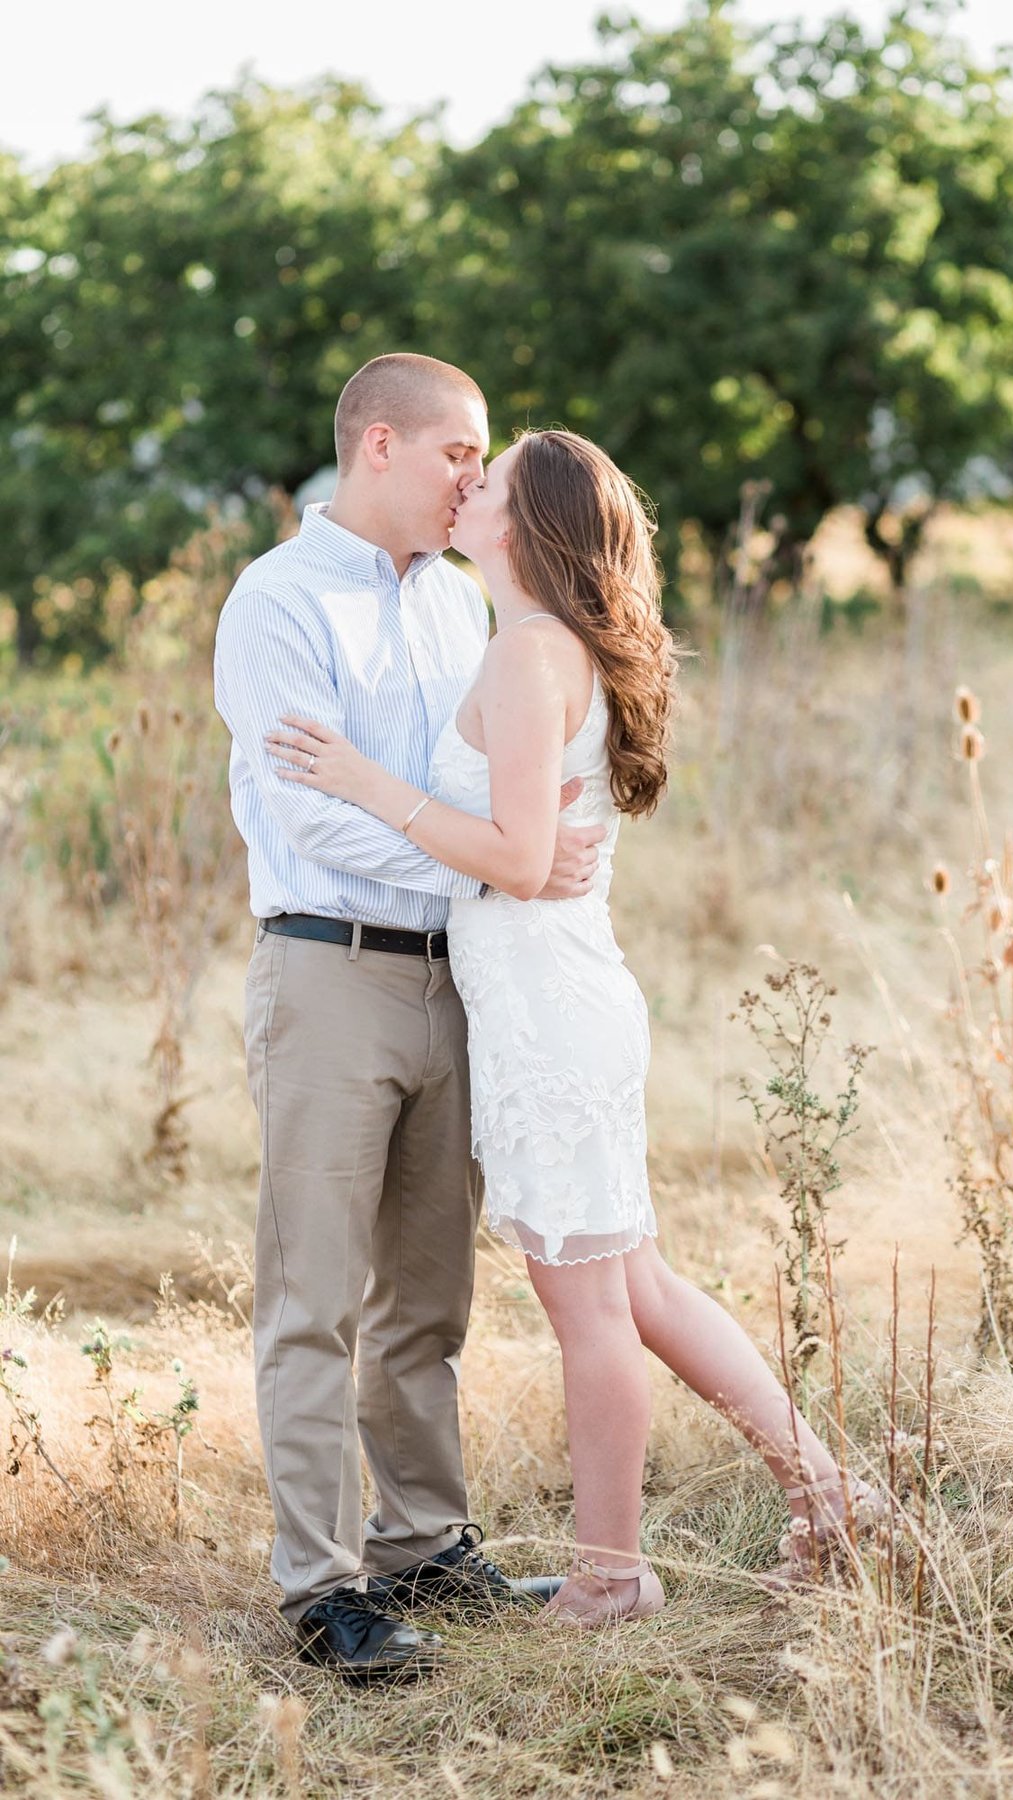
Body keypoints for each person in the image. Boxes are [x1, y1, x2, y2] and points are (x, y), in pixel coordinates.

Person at [266, 428, 887, 1626]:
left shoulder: (526, 655)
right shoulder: (544, 649)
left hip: (551, 1012)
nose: (464, 485)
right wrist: (496, 853)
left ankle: (613, 1575)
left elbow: (514, 854)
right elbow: (521, 853)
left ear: (522, 522)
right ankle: (831, 1492)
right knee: (640, 1284)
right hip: (564, 992)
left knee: (595, 1308)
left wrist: (363, 781)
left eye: (485, 479)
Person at [214, 355, 594, 1685]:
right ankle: (321, 1594)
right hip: (327, 975)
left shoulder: (459, 607)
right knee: (314, 1294)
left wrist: (502, 862)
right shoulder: (275, 601)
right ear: (381, 444)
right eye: (459, 455)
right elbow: (306, 805)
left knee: (428, 1297)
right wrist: (491, 857)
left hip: (460, 977)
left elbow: (489, 789)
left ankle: (425, 1547)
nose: (476, 482)